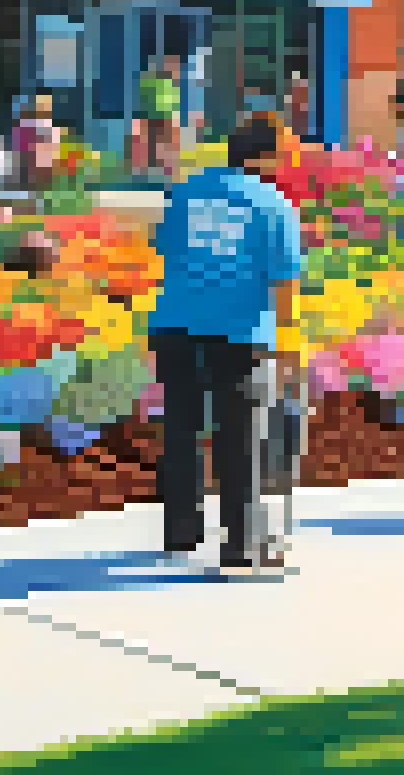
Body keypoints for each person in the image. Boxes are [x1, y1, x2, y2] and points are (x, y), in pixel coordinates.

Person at [148, 113, 303, 572]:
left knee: (181, 430)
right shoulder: (272, 204)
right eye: (283, 152)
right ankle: (241, 544)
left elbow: (165, 250)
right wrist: (288, 344)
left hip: (175, 326)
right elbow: (283, 283)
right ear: (263, 156)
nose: (287, 161)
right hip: (238, 333)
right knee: (239, 437)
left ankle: (180, 533)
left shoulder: (186, 192)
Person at [133, 53, 184, 182]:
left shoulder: (165, 81)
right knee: (155, 144)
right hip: (155, 117)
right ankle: (148, 171)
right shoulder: (150, 80)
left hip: (161, 117)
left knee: (161, 145)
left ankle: (161, 172)